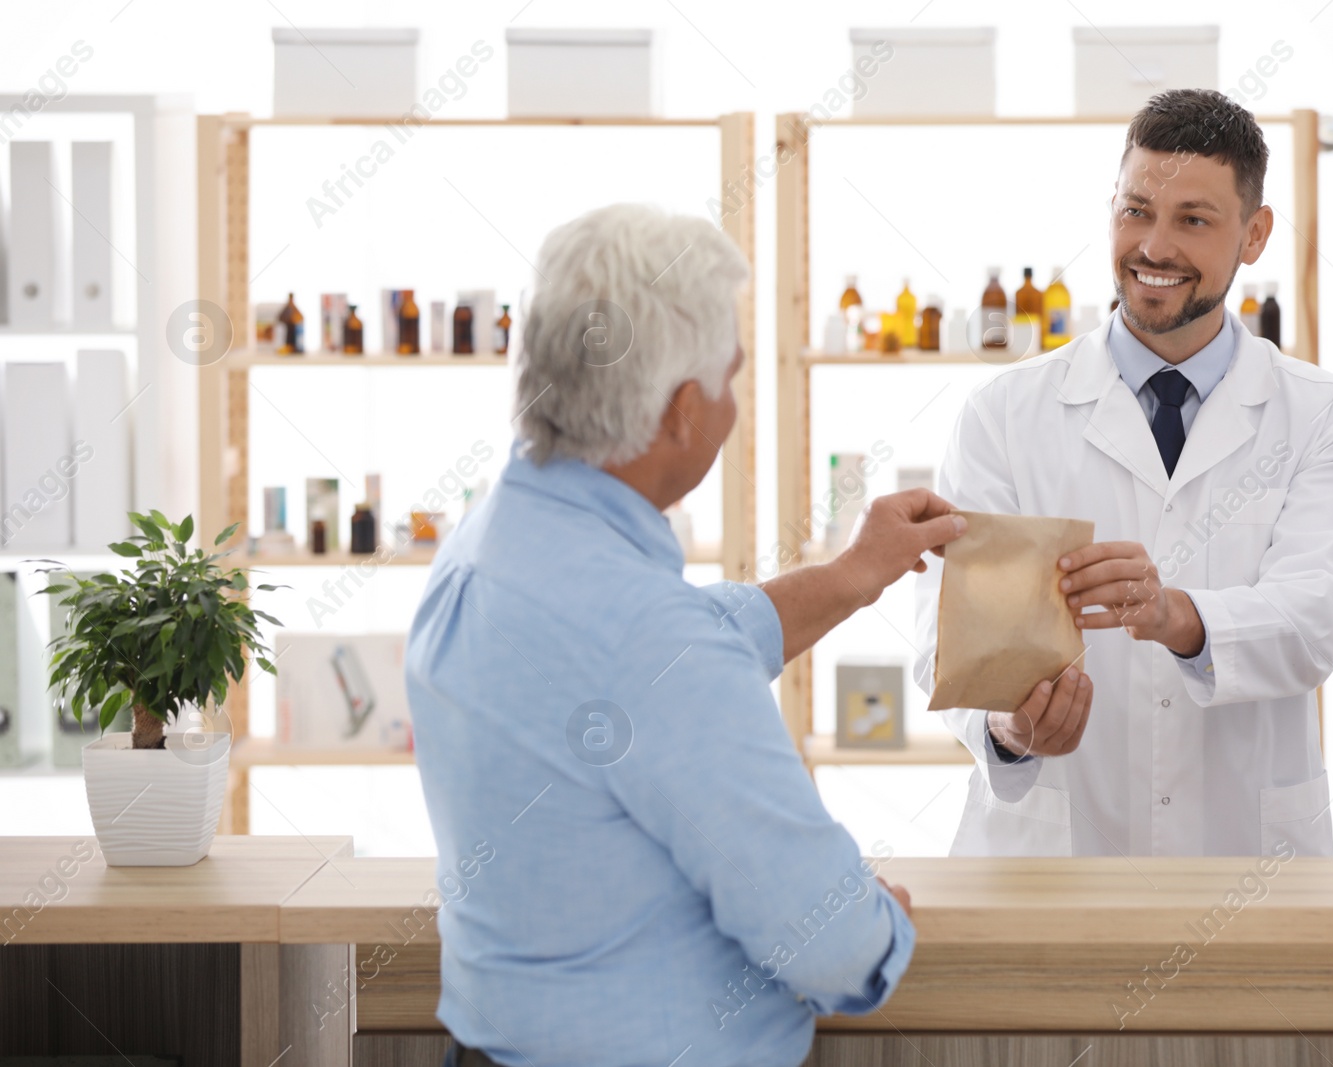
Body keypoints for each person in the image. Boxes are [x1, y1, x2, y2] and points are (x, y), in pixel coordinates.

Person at [406, 203, 966, 1067]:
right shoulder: (647, 639)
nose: (736, 403)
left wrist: (857, 571)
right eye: (732, 380)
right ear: (678, 414)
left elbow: (687, 643)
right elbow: (834, 945)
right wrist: (875, 916)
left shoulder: (483, 548)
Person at [914, 88, 1333, 859]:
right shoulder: (1003, 413)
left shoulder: (1325, 415)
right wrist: (1008, 727)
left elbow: (1316, 616)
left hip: (1241, 855)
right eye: (1135, 211)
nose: (1154, 247)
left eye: (1193, 220)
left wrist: (1176, 615)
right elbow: (946, 634)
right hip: (1050, 857)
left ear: (1254, 234)